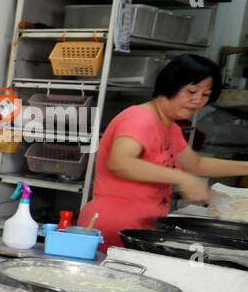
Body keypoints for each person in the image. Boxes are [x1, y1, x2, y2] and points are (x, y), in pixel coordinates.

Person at [81, 54, 248, 248]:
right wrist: (183, 178)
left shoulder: (169, 126)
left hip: (144, 225)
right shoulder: (139, 118)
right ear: (170, 85)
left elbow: (196, 164)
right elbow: (120, 163)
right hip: (113, 226)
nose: (198, 101)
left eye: (205, 95)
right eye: (191, 91)